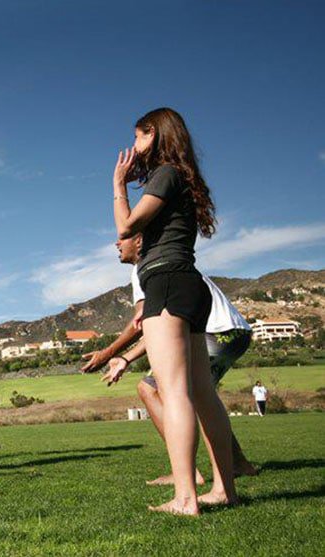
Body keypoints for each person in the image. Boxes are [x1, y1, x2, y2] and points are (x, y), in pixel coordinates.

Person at [110, 107, 237, 515]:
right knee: (203, 393)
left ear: (157, 135)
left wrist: (117, 184)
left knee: (175, 390)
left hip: (166, 281)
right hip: (189, 284)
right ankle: (224, 490)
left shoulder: (164, 173)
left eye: (140, 137)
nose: (134, 147)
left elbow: (127, 228)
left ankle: (186, 498)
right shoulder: (178, 175)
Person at [82, 233, 258, 485]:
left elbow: (141, 322)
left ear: (141, 241)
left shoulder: (147, 267)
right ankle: (238, 463)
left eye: (123, 238)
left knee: (150, 389)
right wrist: (126, 358)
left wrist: (108, 353)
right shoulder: (167, 262)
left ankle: (187, 473)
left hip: (214, 333)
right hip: (234, 333)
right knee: (201, 396)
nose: (117, 244)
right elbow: (160, 328)